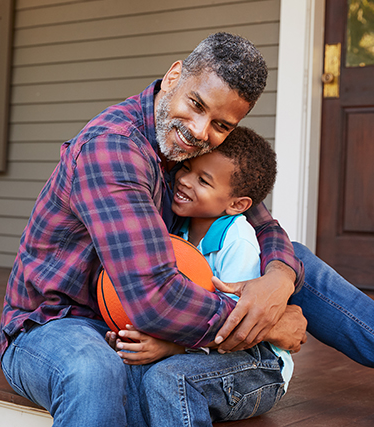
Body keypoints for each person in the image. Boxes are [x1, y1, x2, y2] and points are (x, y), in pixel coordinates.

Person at [0, 32, 374, 426]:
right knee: (94, 370)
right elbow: (155, 299)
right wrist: (267, 324)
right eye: (196, 105)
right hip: (57, 323)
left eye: (222, 125)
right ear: (173, 76)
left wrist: (278, 280)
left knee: (294, 259)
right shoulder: (114, 151)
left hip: (136, 318)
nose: (199, 131)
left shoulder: (187, 147)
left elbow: (262, 224)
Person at [112, 126, 295, 426]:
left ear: (236, 204)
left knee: (169, 379)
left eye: (203, 180)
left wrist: (173, 347)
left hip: (258, 363)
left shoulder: (237, 241)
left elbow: (239, 327)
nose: (183, 180)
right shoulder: (179, 231)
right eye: (186, 167)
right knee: (130, 366)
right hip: (203, 349)